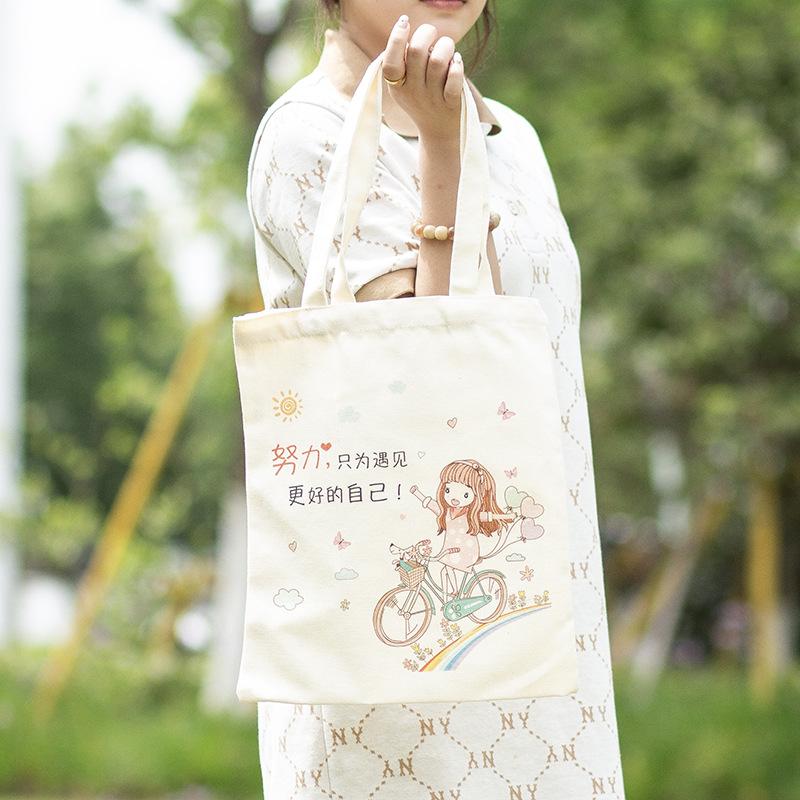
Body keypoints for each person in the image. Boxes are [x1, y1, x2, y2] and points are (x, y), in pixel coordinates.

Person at [247, 1, 627, 797]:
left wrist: (454, 132)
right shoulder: (307, 135)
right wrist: (442, 148)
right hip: (395, 681)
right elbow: (435, 379)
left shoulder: (513, 137)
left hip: (544, 630)